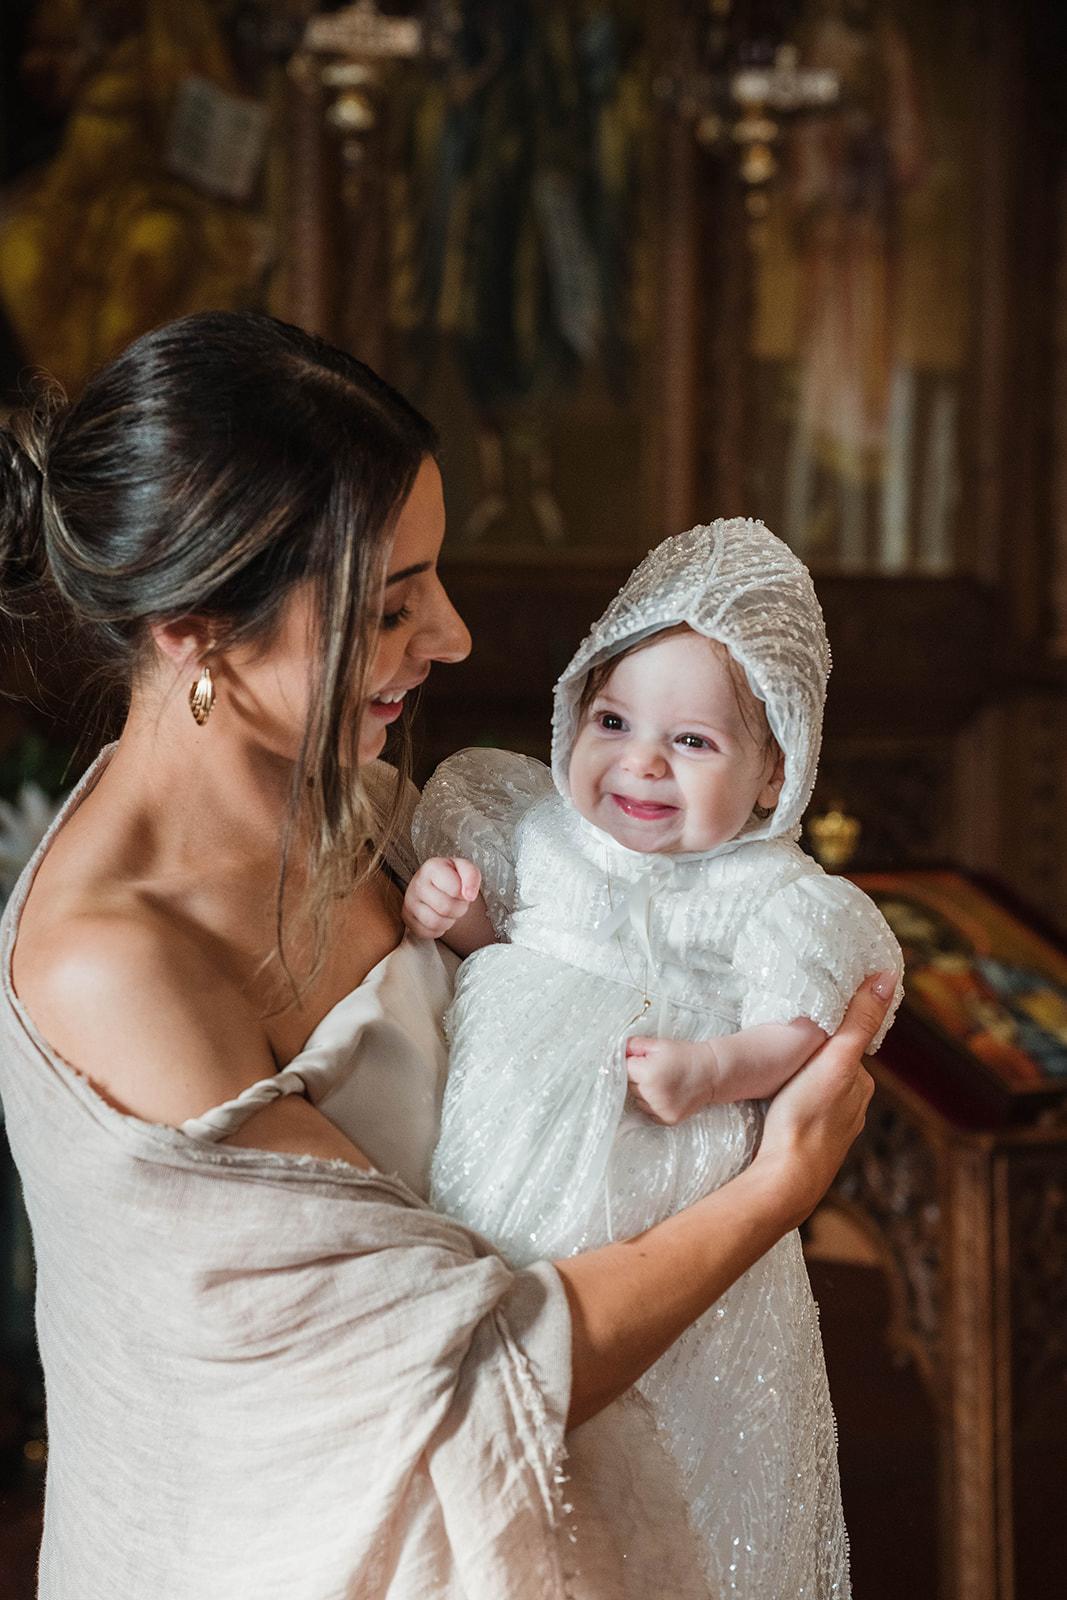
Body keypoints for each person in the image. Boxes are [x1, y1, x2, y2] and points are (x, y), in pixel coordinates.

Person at [0, 310, 893, 1600]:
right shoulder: (116, 965)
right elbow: (467, 1375)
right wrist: (778, 1185)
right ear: (197, 627)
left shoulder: (341, 801)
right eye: (392, 604)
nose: (456, 636)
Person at [403, 519, 904, 1597]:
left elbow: (809, 1030)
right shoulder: (533, 831)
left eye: (691, 743)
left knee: (641, 1436)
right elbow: (507, 967)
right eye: (613, 719)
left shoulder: (763, 896)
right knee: (485, 1377)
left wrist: (713, 1068)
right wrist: (452, 915)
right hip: (493, 1162)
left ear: (774, 775)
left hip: (653, 1190)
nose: (637, 760)